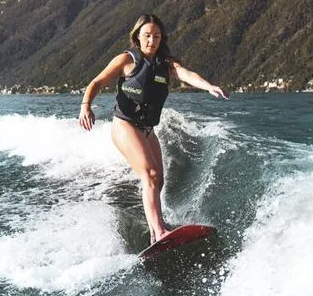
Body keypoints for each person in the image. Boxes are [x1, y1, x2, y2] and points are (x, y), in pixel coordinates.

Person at [78, 14, 229, 244]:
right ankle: (159, 232)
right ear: (138, 36)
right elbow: (96, 82)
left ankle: (154, 234)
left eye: (157, 36)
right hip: (125, 125)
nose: (152, 40)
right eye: (147, 35)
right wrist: (85, 106)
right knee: (150, 175)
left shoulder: (165, 63)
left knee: (159, 181)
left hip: (147, 129)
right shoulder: (126, 60)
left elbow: (185, 74)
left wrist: (208, 86)